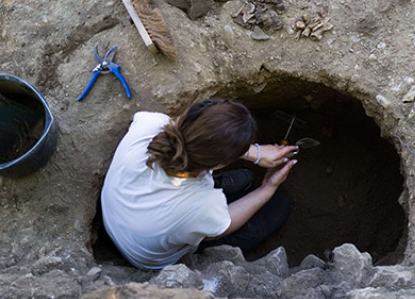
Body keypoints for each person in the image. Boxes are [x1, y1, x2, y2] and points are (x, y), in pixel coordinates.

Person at [100, 98, 299, 270]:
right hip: (147, 258)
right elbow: (226, 224)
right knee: (279, 205)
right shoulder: (204, 206)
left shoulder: (149, 126)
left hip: (122, 218)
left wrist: (254, 153)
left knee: (237, 184)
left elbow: (189, 136)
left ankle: (214, 187)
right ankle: (210, 223)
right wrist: (268, 188)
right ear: (219, 164)